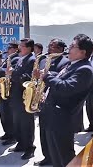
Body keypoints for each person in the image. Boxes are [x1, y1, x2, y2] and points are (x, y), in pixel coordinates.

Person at [37, 34, 93, 167]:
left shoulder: (84, 69)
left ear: (83, 52)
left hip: (63, 120)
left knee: (65, 157)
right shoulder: (72, 64)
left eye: (72, 46)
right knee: (55, 156)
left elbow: (67, 87)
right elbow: (61, 80)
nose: (69, 49)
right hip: (53, 116)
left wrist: (47, 77)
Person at [34, 38, 70, 166]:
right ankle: (47, 157)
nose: (49, 49)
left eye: (53, 47)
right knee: (43, 131)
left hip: (55, 100)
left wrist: (46, 73)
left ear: (60, 49)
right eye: (49, 46)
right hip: (43, 98)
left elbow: (62, 76)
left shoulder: (66, 62)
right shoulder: (43, 60)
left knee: (52, 133)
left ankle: (56, 159)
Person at [7, 38, 36, 160]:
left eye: (22, 46)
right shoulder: (20, 59)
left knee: (26, 123)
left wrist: (12, 73)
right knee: (17, 122)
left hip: (24, 96)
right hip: (16, 95)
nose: (19, 48)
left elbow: (28, 77)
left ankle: (30, 148)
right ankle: (21, 143)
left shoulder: (32, 60)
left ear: (29, 48)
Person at [0, 42, 19, 145]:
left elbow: (8, 72)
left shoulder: (16, 58)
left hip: (9, 90)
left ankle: (12, 136)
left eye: (10, 48)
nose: (8, 50)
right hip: (3, 89)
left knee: (9, 115)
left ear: (15, 49)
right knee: (3, 114)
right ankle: (7, 133)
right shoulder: (8, 58)